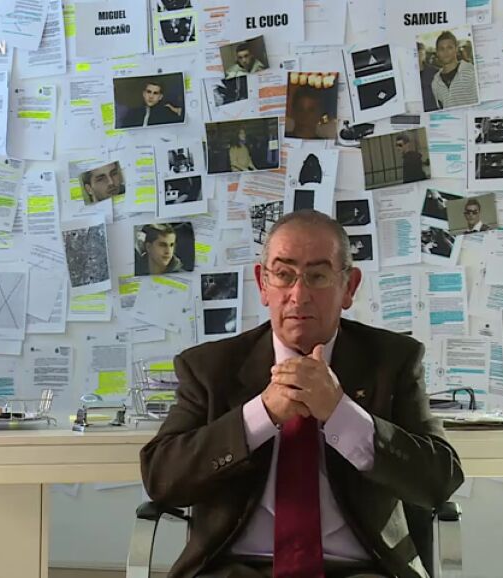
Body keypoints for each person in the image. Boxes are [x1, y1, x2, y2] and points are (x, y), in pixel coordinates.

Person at [140, 210, 464, 577]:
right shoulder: (211, 367)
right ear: (263, 283)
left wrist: (342, 413)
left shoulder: (392, 360)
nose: (299, 295)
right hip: (236, 569)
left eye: (318, 276)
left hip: (361, 569)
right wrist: (261, 414)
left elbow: (439, 480)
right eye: (283, 274)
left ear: (349, 287)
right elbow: (162, 480)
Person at [429, 31, 479, 111]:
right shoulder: (435, 83)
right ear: (437, 53)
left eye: (449, 47)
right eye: (442, 49)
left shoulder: (471, 72)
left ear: (456, 49)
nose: (446, 52)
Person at [117, 80, 182, 129]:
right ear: (144, 94)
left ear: (160, 97)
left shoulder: (167, 114)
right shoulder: (132, 113)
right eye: (148, 92)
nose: (151, 96)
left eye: (155, 93)